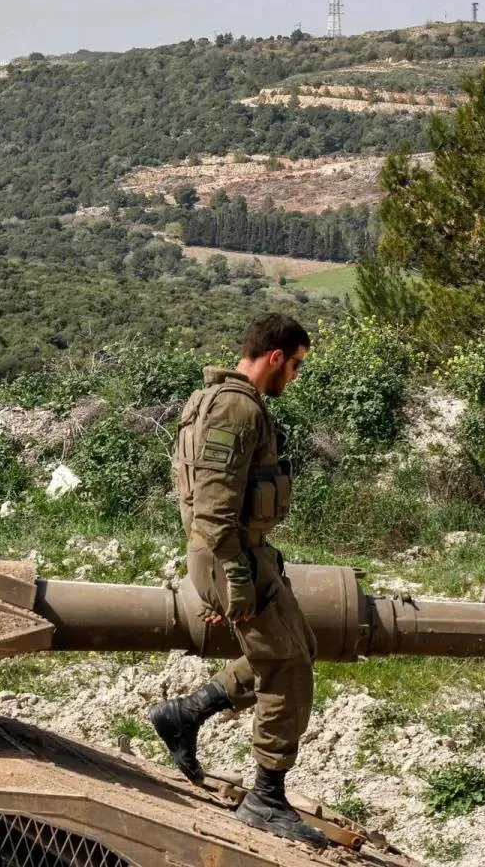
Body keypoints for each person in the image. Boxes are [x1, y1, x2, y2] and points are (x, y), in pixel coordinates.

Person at [148, 313, 326, 848]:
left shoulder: (214, 400)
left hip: (243, 554)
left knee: (300, 647)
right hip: (233, 557)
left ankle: (186, 714)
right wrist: (234, 580)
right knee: (286, 666)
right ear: (275, 356)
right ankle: (265, 799)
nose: (294, 376)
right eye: (294, 364)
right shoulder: (235, 407)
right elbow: (214, 506)